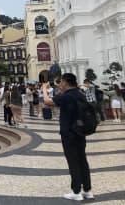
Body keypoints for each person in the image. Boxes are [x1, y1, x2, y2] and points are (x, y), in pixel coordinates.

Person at [43, 73, 93, 201]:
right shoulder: (79, 94)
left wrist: (44, 88)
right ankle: (87, 190)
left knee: (73, 162)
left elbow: (47, 101)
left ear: (65, 82)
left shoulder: (67, 96)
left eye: (61, 82)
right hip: (81, 132)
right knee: (82, 160)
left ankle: (76, 191)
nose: (59, 84)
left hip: (69, 134)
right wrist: (58, 87)